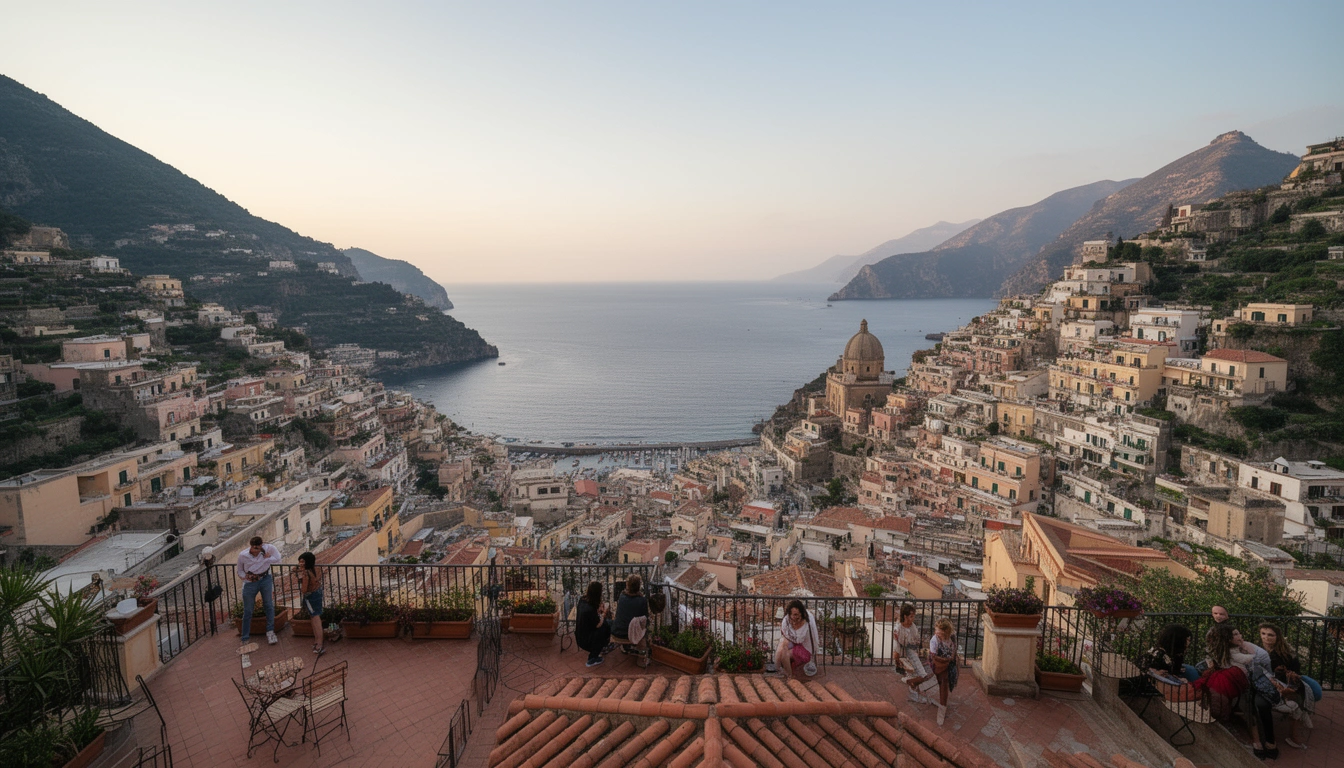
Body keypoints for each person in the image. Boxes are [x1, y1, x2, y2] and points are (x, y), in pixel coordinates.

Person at [1260, 622, 1312, 750]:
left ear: (1278, 636)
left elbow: (1296, 672)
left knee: (1299, 692)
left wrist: (1286, 673)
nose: (1266, 637)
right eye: (1263, 634)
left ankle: (1294, 733)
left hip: (1285, 682)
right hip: (1265, 682)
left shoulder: (1286, 653)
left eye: (1270, 635)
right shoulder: (1256, 650)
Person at [237, 536, 282, 645]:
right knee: (248, 610)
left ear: (262, 545)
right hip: (250, 583)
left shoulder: (269, 549)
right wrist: (247, 577)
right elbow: (239, 571)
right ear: (251, 547)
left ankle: (270, 632)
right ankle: (245, 637)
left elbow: (278, 559)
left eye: (258, 548)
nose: (256, 551)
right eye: (254, 548)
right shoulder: (243, 555)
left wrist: (268, 557)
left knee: (268, 605)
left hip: (265, 578)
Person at [894, 603, 930, 704]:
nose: (913, 618)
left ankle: (914, 691)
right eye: (911, 616)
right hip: (904, 655)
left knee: (921, 672)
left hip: (912, 653)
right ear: (905, 616)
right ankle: (911, 687)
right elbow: (897, 647)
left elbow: (916, 641)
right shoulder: (898, 629)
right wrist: (898, 662)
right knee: (921, 674)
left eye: (914, 615)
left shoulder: (913, 626)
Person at [775, 599, 819, 680]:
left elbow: (799, 640)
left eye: (797, 614)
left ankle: (789, 676)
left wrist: (795, 625)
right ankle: (779, 669)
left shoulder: (806, 621)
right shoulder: (787, 619)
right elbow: (786, 634)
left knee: (785, 653)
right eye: (794, 614)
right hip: (796, 644)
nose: (795, 616)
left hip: (806, 648)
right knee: (782, 644)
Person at [926, 617, 958, 726]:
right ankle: (942, 706)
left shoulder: (952, 637)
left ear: (947, 632)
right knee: (940, 680)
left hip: (949, 662)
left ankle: (943, 706)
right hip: (938, 662)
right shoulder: (934, 640)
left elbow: (954, 650)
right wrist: (946, 660)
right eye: (937, 632)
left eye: (940, 634)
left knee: (944, 682)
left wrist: (950, 660)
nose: (938, 635)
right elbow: (934, 657)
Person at [575, 581, 614, 667]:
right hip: (586, 640)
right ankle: (592, 658)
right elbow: (598, 624)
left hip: (580, 635)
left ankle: (602, 646)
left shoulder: (583, 600)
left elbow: (592, 618)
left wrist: (599, 608)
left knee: (607, 624)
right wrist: (604, 613)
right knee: (605, 626)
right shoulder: (589, 610)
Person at [297, 552, 325, 656]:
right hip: (317, 592)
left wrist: (301, 580)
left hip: (310, 596)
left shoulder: (306, 573)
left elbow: (304, 590)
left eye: (302, 561)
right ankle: (318, 641)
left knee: (315, 618)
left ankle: (319, 643)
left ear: (307, 562)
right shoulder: (316, 569)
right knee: (315, 617)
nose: (300, 564)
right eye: (300, 561)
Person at [612, 575, 649, 652]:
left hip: (617, 632)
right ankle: (642, 652)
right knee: (645, 625)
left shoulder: (622, 597)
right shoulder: (642, 600)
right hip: (630, 635)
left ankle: (625, 647)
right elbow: (645, 618)